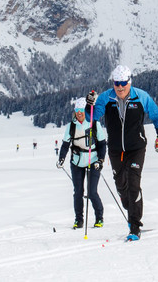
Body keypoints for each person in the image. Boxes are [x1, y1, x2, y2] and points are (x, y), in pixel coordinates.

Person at [93, 65, 158, 241]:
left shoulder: (141, 97)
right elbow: (92, 118)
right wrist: (90, 106)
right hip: (116, 149)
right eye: (116, 83)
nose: (120, 87)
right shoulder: (105, 98)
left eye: (123, 83)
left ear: (129, 82)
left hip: (137, 147)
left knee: (134, 184)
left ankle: (134, 225)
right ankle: (128, 205)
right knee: (121, 185)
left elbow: (155, 115)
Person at [57, 95, 107, 229]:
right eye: (77, 111)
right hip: (77, 161)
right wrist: (61, 158)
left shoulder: (94, 124)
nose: (79, 113)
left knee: (91, 192)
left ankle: (99, 218)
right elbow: (65, 144)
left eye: (82, 111)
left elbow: (102, 144)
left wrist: (101, 160)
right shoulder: (71, 126)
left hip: (94, 160)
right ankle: (79, 220)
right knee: (78, 192)